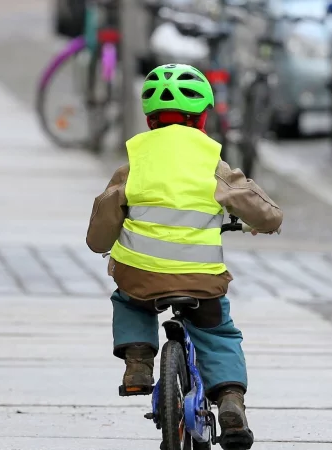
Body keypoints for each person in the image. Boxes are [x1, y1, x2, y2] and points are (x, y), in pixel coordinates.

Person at [86, 63, 283, 449]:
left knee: (128, 300)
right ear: (203, 118)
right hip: (202, 280)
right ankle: (230, 399)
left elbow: (100, 230)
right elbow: (264, 211)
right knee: (218, 333)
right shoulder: (213, 164)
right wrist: (266, 222)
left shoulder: (134, 165)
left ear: (149, 120)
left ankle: (138, 361)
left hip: (140, 277)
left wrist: (104, 240)